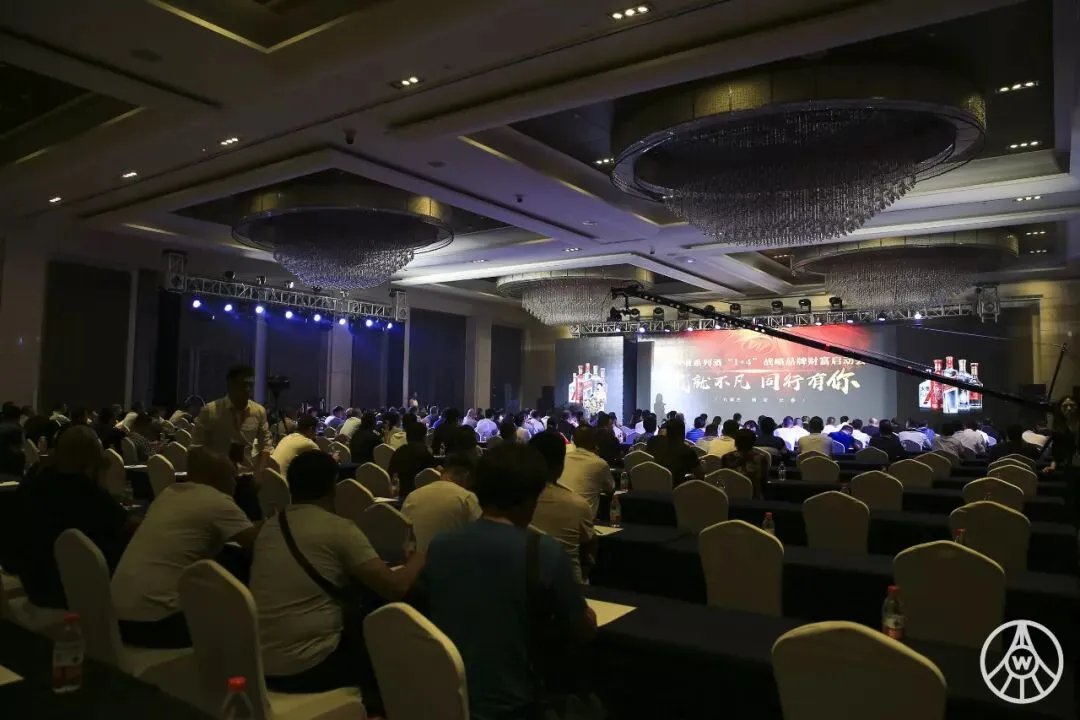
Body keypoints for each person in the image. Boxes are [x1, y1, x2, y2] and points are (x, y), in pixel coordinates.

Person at [413, 443, 596, 720]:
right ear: (529, 498)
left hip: (448, 697)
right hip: (518, 705)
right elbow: (582, 630)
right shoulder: (544, 551)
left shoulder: (440, 546)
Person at [251, 450, 424, 710]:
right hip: (310, 665)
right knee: (391, 642)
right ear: (333, 487)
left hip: (260, 662)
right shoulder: (337, 528)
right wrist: (418, 560)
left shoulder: (270, 527)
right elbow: (395, 588)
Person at [112, 449, 258, 648]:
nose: (235, 484)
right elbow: (259, 544)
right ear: (216, 478)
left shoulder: (168, 493)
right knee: (240, 611)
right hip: (160, 622)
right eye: (232, 478)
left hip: (118, 620)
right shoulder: (216, 500)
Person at [13, 425, 134, 609]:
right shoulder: (87, 492)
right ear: (91, 460)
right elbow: (128, 526)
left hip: (35, 584)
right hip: (75, 592)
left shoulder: (36, 479)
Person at [528, 432, 596, 584]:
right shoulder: (577, 504)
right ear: (561, 466)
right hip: (569, 587)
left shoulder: (510, 499)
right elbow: (588, 551)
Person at [191, 364, 272, 474]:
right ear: (231, 386)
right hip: (217, 476)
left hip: (246, 475)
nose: (248, 389)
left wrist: (259, 473)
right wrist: (218, 461)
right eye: (243, 385)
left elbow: (266, 446)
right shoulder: (210, 411)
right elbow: (195, 448)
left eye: (251, 385)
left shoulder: (258, 411)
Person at [401, 454, 481, 553]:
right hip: (449, 559)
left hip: (413, 559)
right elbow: (480, 537)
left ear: (442, 471)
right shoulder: (467, 498)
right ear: (467, 476)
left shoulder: (412, 495)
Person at [559, 426, 615, 519]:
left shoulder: (563, 459)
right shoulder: (599, 463)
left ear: (574, 441)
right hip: (584, 521)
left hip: (559, 515)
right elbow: (611, 489)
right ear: (595, 442)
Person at [646, 418, 703, 486]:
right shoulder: (687, 451)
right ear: (682, 433)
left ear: (666, 430)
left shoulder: (652, 442)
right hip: (676, 488)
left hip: (650, 483)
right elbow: (700, 475)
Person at [388, 421, 437, 499]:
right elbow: (435, 474)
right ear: (424, 437)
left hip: (403, 495)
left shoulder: (400, 450)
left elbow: (390, 473)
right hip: (423, 496)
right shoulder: (425, 452)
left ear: (407, 436)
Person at [720, 430, 769, 499]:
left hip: (729, 497)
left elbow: (722, 478)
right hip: (753, 498)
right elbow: (764, 482)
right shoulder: (761, 459)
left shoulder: (726, 457)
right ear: (753, 442)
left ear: (736, 442)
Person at [271, 414, 320, 478]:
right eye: (316, 430)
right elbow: (322, 465)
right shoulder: (308, 443)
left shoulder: (286, 437)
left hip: (272, 479)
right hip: (285, 482)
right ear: (311, 429)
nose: (316, 433)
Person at [1044, 396, 1078, 473]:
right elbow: (1056, 453)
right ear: (1060, 409)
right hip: (1070, 467)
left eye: (1072, 405)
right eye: (1065, 406)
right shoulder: (1059, 429)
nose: (1069, 408)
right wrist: (1052, 467)